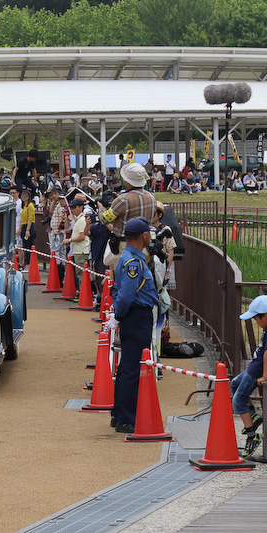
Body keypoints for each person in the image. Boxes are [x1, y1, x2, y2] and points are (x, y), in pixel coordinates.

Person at [108, 217, 159, 433]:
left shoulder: (128, 258)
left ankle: (119, 413)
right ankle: (126, 418)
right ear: (143, 236)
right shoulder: (134, 263)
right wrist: (119, 314)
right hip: (136, 317)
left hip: (133, 316)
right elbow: (127, 295)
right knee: (132, 367)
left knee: (127, 366)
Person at [101, 163, 158, 275]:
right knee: (141, 281)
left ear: (127, 181)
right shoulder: (151, 197)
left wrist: (101, 209)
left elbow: (104, 220)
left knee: (124, 282)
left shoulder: (122, 200)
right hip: (144, 246)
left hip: (124, 247)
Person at [232, 296, 267, 457]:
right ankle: (252, 414)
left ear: (265, 316)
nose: (255, 322)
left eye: (256, 318)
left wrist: (264, 376)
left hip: (257, 371)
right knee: (234, 384)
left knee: (238, 401)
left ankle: (252, 436)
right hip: (253, 367)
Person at [68, 198, 90, 295]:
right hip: (78, 250)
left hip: (81, 251)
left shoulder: (81, 220)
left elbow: (82, 236)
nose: (72, 210)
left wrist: (69, 240)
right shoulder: (78, 219)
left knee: (81, 275)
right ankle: (82, 294)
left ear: (81, 207)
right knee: (79, 274)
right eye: (71, 207)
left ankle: (83, 295)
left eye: (74, 207)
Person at [19, 190, 35, 270]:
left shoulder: (30, 205)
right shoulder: (24, 206)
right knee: (25, 246)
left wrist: (27, 230)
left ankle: (29, 264)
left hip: (29, 227)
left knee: (29, 246)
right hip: (24, 226)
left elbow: (30, 218)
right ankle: (26, 263)